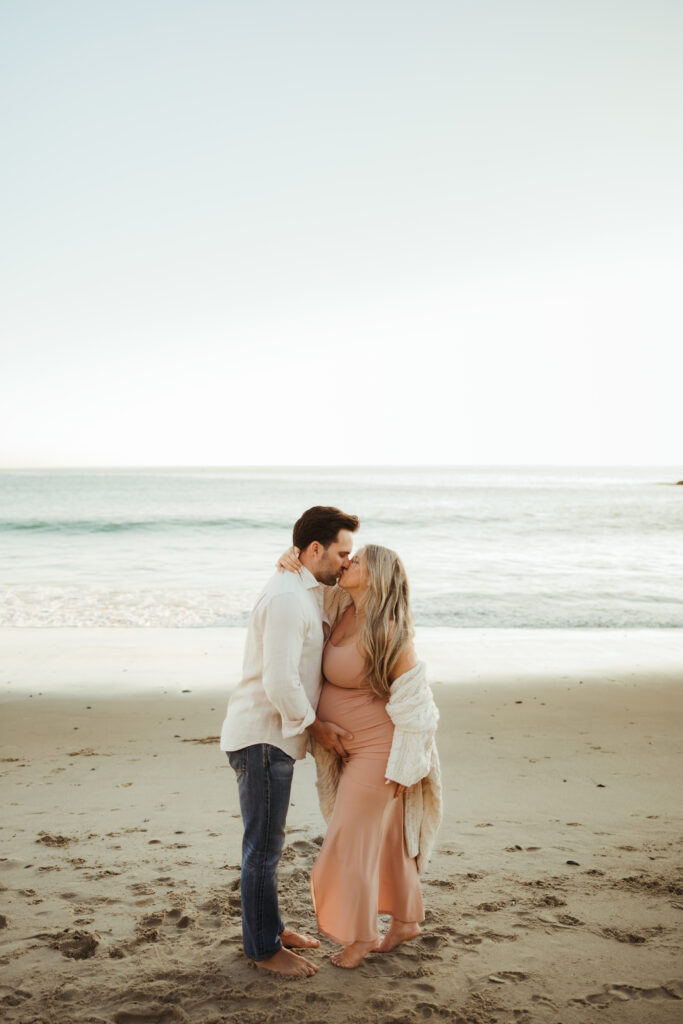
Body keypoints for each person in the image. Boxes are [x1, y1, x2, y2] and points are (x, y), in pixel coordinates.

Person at [279, 543, 442, 969]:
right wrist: (289, 557)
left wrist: (407, 769)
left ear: (377, 576)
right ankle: (405, 921)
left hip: (380, 752)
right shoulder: (340, 603)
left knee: (347, 842)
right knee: (383, 840)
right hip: (348, 749)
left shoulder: (389, 630)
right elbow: (310, 576)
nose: (348, 562)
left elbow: (417, 707)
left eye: (358, 560)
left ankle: (361, 935)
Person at [220, 506, 359, 978]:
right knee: (263, 848)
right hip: (261, 737)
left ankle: (270, 929)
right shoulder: (286, 598)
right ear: (315, 549)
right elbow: (280, 682)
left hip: (272, 739)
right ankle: (262, 949)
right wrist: (317, 727)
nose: (347, 562)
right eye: (342, 552)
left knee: (268, 844)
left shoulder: (303, 589)